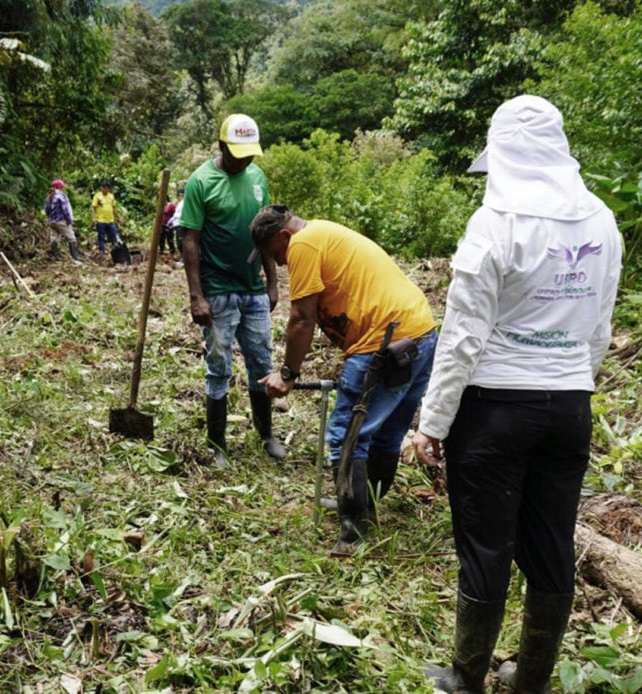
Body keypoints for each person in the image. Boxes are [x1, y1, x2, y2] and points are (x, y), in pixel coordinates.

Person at [412, 95, 622, 694]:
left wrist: (434, 423)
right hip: (568, 406)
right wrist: (571, 384)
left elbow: (463, 336)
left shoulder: (495, 223)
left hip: (495, 408)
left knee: (485, 544)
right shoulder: (601, 220)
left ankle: (466, 675)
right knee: (551, 540)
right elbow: (599, 326)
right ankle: (530, 678)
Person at [251, 205, 437, 554]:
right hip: (420, 334)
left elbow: (301, 318)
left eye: (276, 255)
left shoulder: (303, 244)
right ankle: (367, 508)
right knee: (386, 433)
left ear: (283, 237)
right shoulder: (323, 231)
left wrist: (288, 373)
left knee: (346, 436)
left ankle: (353, 534)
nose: (278, 264)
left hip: (382, 343)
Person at [179, 114, 284, 467]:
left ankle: (266, 433)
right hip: (218, 289)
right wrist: (196, 296)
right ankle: (217, 443)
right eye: (239, 153)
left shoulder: (257, 177)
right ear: (223, 146)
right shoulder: (201, 182)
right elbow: (189, 240)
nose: (246, 160)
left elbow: (265, 232)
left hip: (252, 287)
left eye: (250, 154)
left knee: (262, 361)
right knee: (219, 364)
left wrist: (271, 281)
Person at [45, 179, 82, 262]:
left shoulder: (49, 196)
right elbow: (65, 209)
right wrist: (69, 220)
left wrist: (50, 218)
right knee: (71, 237)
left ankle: (56, 257)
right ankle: (75, 256)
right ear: (60, 187)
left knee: (55, 238)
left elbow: (47, 210)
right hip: (61, 221)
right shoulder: (61, 196)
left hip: (52, 221)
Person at [91, 181, 123, 253]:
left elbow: (114, 208)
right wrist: (93, 218)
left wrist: (118, 217)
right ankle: (102, 251)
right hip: (101, 220)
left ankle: (116, 250)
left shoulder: (111, 196)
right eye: (103, 188)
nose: (104, 190)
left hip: (110, 220)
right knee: (101, 237)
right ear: (101, 188)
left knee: (114, 235)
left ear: (109, 189)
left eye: (106, 188)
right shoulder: (97, 196)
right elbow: (93, 207)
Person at [158, 188, 180, 257]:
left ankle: (172, 251)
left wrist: (172, 223)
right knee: (161, 238)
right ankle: (161, 250)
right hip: (162, 224)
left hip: (169, 225)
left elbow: (175, 214)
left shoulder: (171, 206)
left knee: (169, 238)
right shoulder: (161, 206)